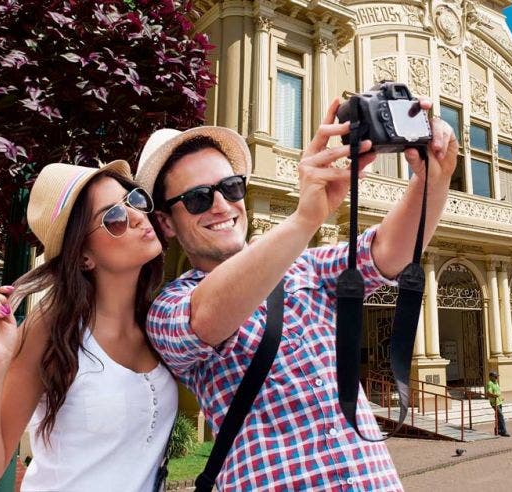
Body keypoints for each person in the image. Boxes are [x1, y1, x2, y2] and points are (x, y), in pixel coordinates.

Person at [138, 96, 457, 490]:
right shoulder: (168, 308)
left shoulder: (305, 266)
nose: (221, 205)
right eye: (197, 198)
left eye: (231, 187)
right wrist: (305, 218)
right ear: (167, 224)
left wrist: (432, 179)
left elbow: (386, 253)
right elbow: (206, 318)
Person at [0, 162, 177, 491]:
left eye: (133, 200)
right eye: (113, 218)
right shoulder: (51, 328)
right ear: (84, 256)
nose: (135, 217)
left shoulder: (158, 321)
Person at [486, 371, 510, 437]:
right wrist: (494, 395)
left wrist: (501, 397)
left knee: (498, 416)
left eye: (497, 376)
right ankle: (504, 431)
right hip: (494, 403)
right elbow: (488, 393)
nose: (496, 377)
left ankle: (498, 430)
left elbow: (498, 391)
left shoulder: (496, 382)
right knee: (501, 416)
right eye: (495, 376)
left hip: (499, 402)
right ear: (491, 377)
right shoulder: (490, 383)